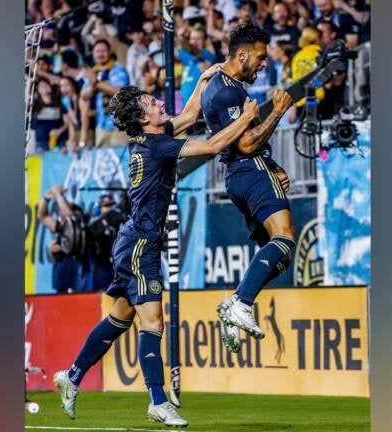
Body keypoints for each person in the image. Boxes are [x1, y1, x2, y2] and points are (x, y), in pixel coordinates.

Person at [53, 65, 259, 427]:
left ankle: (71, 377)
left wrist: (202, 80)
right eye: (152, 102)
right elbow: (212, 145)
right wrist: (245, 118)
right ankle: (158, 401)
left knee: (119, 319)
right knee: (153, 322)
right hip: (140, 245)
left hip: (133, 241)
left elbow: (191, 114)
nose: (160, 102)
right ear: (143, 117)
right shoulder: (158, 145)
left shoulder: (149, 138)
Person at [200, 23, 295, 352]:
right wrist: (278, 112)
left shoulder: (221, 87)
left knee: (280, 255)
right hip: (249, 168)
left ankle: (235, 305)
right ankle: (241, 303)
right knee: (285, 237)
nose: (264, 63)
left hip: (242, 175)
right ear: (241, 54)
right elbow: (247, 144)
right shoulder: (227, 90)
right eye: (260, 57)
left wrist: (274, 166)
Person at [37, 184, 85, 293]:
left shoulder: (78, 229)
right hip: (61, 280)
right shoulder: (59, 227)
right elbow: (42, 216)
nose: (62, 216)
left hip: (75, 279)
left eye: (63, 213)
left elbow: (70, 216)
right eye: (61, 214)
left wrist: (59, 194)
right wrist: (46, 199)